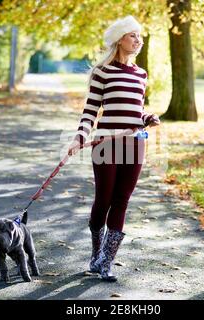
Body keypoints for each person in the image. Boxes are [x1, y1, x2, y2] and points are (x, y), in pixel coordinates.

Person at [68, 15, 160, 282]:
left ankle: (107, 261)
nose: (138, 40)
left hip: (134, 144)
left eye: (139, 36)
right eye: (133, 35)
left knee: (122, 201)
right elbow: (90, 112)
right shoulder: (102, 72)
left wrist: (146, 118)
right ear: (120, 39)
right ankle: (96, 251)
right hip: (106, 144)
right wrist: (79, 137)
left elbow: (136, 110)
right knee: (104, 199)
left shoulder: (141, 74)